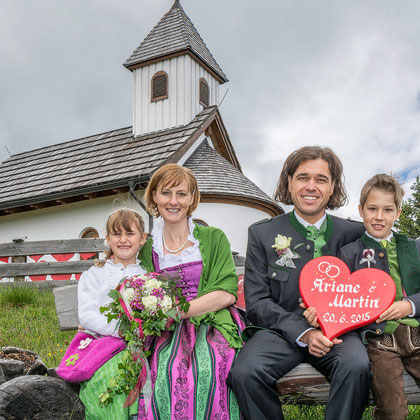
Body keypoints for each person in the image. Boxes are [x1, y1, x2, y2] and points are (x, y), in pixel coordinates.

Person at [228, 146, 370, 420]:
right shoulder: (262, 232)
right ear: (289, 182)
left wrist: (333, 322)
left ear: (332, 187)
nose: (311, 187)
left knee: (356, 366)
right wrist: (304, 333)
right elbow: (257, 301)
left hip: (339, 332)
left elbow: (367, 289)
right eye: (303, 177)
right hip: (279, 331)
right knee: (245, 373)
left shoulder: (355, 233)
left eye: (321, 179)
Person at [135, 163, 244, 419]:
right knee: (166, 369)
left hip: (212, 322)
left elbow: (227, 292)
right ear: (154, 197)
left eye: (182, 194)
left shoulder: (212, 238)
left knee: (211, 366)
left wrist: (178, 311)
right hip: (165, 329)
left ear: (192, 198)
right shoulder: (146, 246)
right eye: (166, 193)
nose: (174, 201)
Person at [336, 174, 420, 420]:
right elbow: (342, 299)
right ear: (361, 210)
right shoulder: (350, 252)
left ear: (398, 213)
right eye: (372, 208)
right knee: (393, 410)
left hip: (417, 336)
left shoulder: (413, 247)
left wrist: (410, 305)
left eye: (388, 209)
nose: (379, 217)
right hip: (379, 341)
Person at [78, 208, 147, 419]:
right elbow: (87, 315)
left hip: (139, 346)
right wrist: (122, 331)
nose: (123, 240)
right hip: (101, 345)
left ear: (143, 238)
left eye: (130, 233)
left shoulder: (147, 277)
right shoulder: (95, 274)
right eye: (117, 234)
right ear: (107, 239)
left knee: (146, 373)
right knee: (111, 376)